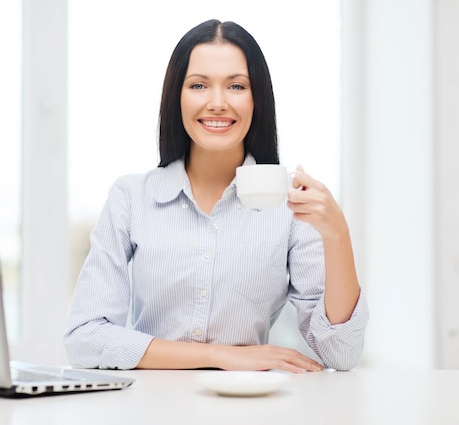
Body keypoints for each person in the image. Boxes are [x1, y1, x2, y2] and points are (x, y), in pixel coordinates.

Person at [64, 19, 369, 372]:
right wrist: (224, 356)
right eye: (198, 85)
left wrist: (337, 235)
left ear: (258, 99)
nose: (218, 102)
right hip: (150, 405)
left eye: (237, 86)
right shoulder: (131, 197)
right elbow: (85, 339)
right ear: (176, 96)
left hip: (250, 405)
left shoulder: (288, 206)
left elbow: (341, 354)